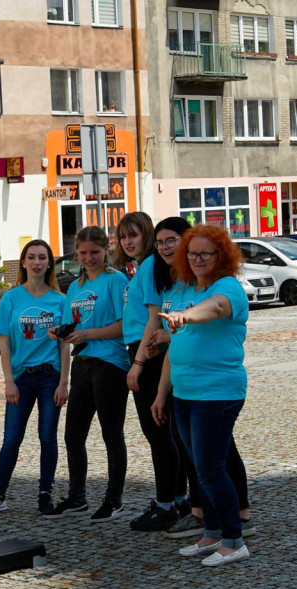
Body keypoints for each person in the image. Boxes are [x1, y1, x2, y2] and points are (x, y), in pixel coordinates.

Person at [152, 223, 251, 566]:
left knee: (211, 467)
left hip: (218, 391)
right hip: (186, 391)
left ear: (220, 256)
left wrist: (186, 316)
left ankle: (234, 539)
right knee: (198, 465)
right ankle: (211, 532)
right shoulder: (183, 289)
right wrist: (162, 394)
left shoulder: (228, 287)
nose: (197, 259)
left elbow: (218, 309)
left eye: (205, 253)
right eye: (192, 253)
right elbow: (174, 349)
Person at [0, 240, 70, 516]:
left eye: (42, 257)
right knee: (11, 439)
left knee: (47, 437)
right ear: (23, 262)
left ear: (49, 262)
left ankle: (45, 494)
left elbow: (65, 345)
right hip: (21, 378)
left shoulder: (60, 300)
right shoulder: (11, 299)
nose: (37, 262)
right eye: (32, 257)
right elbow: (4, 343)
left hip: (50, 376)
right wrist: (8, 380)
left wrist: (64, 381)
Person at [44, 226, 131, 522]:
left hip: (110, 364)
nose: (89, 258)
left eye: (95, 252)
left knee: (111, 434)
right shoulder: (76, 288)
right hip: (82, 365)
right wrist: (60, 332)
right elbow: (71, 327)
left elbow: (124, 326)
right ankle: (77, 497)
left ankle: (114, 499)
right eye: (83, 253)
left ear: (106, 250)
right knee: (73, 436)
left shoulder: (116, 281)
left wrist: (86, 333)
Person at [119, 215, 190, 531]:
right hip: (147, 349)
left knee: (158, 432)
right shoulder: (146, 267)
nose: (128, 242)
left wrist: (138, 363)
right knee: (168, 433)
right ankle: (176, 499)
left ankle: (166, 505)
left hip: (148, 351)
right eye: (122, 236)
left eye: (134, 235)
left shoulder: (148, 266)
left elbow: (152, 318)